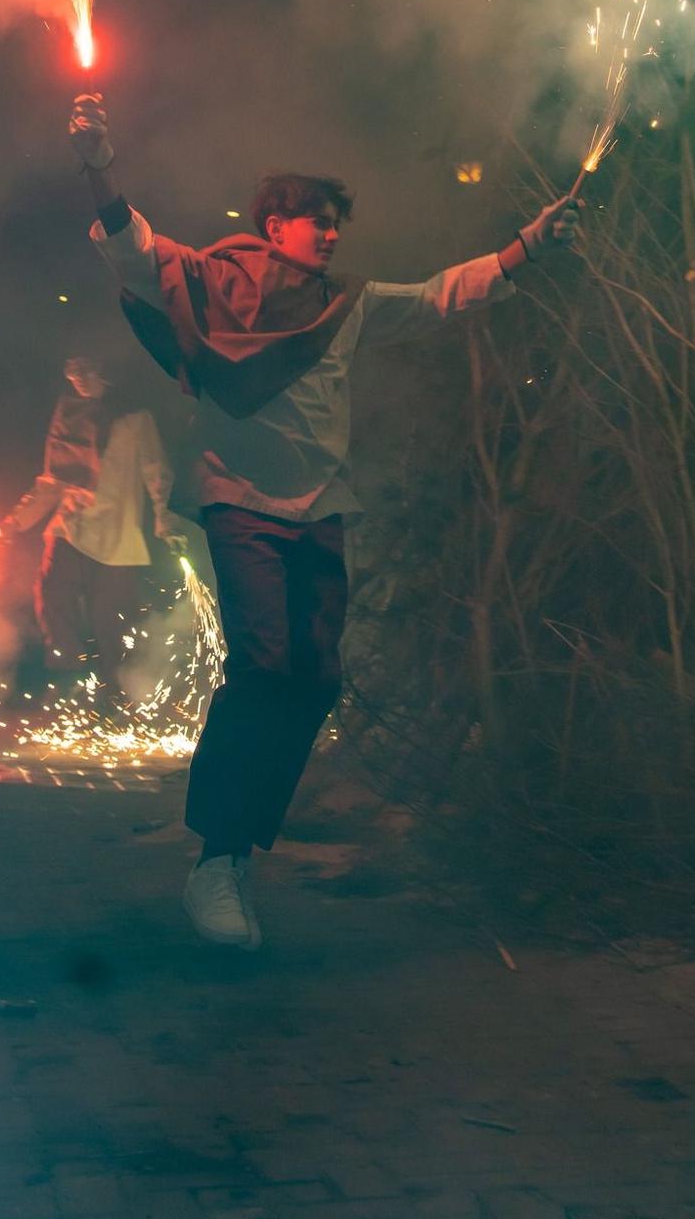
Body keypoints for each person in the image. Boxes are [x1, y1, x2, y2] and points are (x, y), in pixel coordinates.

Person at [67, 92, 583, 951]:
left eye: (337, 223)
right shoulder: (211, 282)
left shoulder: (345, 305)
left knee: (314, 681)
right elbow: (134, 253)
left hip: (320, 511)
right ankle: (218, 860)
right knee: (265, 664)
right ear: (274, 226)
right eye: (316, 221)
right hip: (239, 503)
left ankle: (238, 854)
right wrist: (97, 167)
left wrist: (525, 249)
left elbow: (439, 297)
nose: (332, 234)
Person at [0, 355, 176, 711]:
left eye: (84, 369)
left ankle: (114, 698)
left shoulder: (135, 419)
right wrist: (13, 521)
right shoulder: (69, 413)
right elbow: (50, 481)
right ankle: (69, 683)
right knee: (52, 597)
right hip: (70, 527)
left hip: (116, 536)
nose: (76, 377)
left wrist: (163, 516)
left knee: (112, 622)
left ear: (105, 372)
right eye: (71, 371)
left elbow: (156, 470)